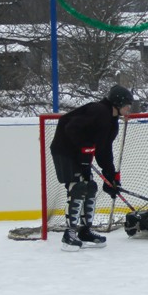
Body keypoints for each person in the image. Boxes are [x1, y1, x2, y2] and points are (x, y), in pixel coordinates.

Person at [50, 84, 134, 251]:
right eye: (126, 106)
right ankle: (69, 234)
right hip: (65, 151)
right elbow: (70, 127)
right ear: (117, 103)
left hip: (80, 155)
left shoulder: (112, 122)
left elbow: (104, 150)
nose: (128, 109)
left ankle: (84, 231)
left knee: (90, 187)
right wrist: (85, 148)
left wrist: (110, 176)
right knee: (78, 187)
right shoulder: (99, 111)